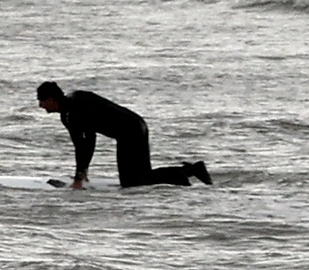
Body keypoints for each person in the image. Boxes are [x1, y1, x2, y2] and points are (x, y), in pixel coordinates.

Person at [37, 80, 210, 190]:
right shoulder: (72, 106)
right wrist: (81, 174)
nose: (40, 105)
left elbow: (87, 143)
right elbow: (83, 144)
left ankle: (183, 174)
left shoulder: (72, 112)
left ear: (52, 100)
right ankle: (190, 171)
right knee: (141, 176)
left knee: (131, 182)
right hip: (137, 125)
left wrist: (79, 178)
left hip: (129, 132)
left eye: (42, 101)